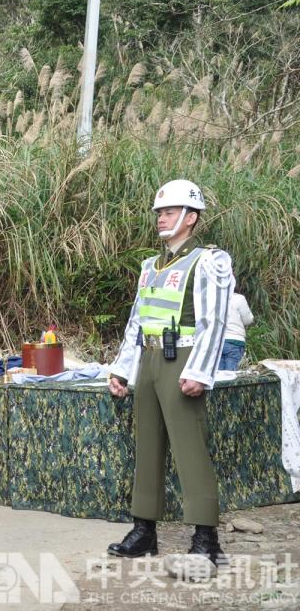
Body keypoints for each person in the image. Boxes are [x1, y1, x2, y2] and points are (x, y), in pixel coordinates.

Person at [107, 179, 233, 580]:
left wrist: (201, 372)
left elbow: (214, 323)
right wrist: (122, 368)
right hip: (148, 358)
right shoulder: (150, 266)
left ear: (191, 217)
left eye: (170, 211)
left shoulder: (208, 261)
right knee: (148, 445)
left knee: (188, 449)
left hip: (183, 360)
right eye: (159, 212)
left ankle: (206, 539)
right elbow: (136, 321)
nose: (161, 218)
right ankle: (145, 530)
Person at [218, 292, 253, 371]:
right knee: (232, 376)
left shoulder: (212, 298)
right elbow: (248, 319)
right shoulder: (239, 298)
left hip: (217, 341)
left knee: (218, 377)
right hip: (234, 341)